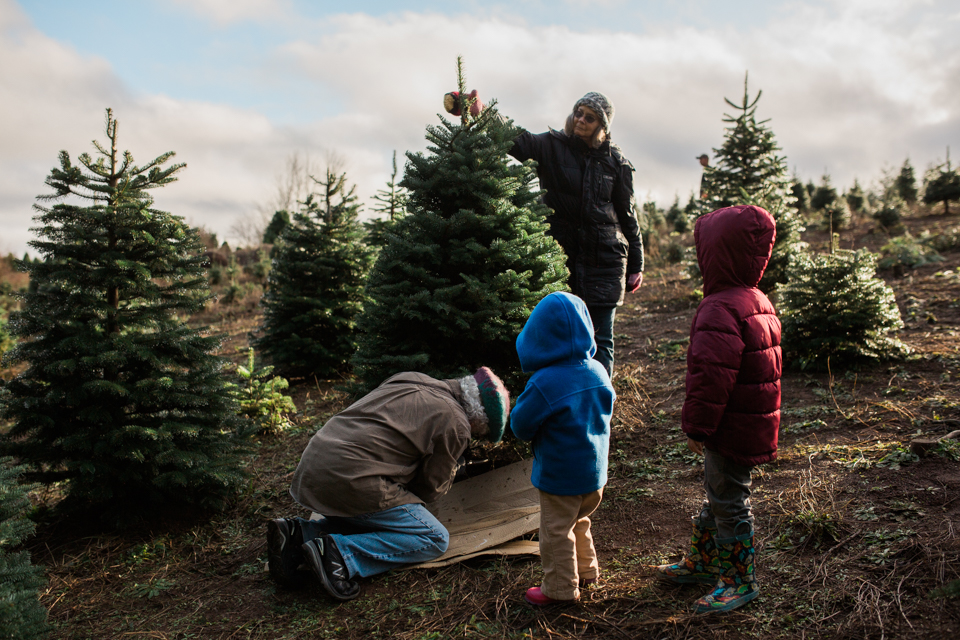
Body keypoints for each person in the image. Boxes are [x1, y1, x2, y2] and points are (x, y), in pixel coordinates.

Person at [444, 90, 644, 377]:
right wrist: (482, 111)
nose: (581, 120)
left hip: (605, 261)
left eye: (589, 117)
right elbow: (518, 139)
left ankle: (599, 405)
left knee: (601, 340)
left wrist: (637, 265)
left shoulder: (616, 162)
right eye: (578, 113)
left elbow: (627, 216)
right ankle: (566, 398)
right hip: (561, 257)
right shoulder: (552, 146)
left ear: (602, 126)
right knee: (564, 333)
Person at [266, 367, 510, 601]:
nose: (475, 435)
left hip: (314, 464)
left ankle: (299, 532)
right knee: (433, 538)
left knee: (375, 517)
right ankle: (339, 555)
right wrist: (453, 468)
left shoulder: (411, 378)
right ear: (480, 419)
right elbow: (428, 490)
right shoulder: (456, 425)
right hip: (353, 479)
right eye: (481, 432)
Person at [654, 205, 781, 614]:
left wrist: (698, 427)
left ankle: (738, 579)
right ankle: (705, 561)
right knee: (719, 492)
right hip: (749, 421)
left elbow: (713, 377)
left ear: (716, 252)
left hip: (728, 425)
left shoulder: (719, 308)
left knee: (728, 498)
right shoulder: (756, 299)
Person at [509, 291, 615, 605]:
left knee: (556, 532)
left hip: (560, 477)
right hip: (594, 476)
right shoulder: (597, 371)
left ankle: (559, 589)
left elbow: (520, 426)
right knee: (580, 521)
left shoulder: (545, 383)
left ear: (537, 337)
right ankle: (588, 572)